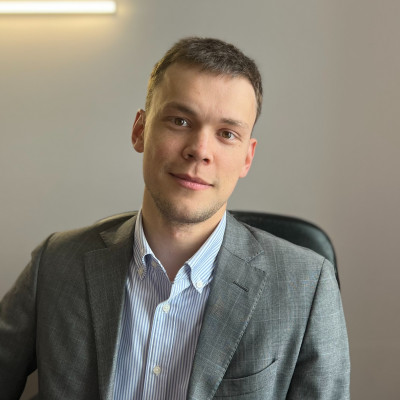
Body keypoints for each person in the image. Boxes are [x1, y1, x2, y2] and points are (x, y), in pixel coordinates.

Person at [0, 37, 350, 399]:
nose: (199, 150)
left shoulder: (307, 287)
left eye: (227, 134)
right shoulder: (55, 263)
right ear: (140, 130)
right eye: (180, 121)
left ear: (247, 157)